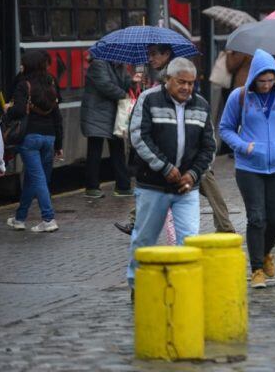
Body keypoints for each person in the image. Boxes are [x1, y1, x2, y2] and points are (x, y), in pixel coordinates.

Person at [114, 44, 235, 236]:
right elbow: (141, 133)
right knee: (155, 188)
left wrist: (195, 169)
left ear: (167, 55)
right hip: (167, 163)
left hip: (191, 158)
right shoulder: (157, 83)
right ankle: (135, 220)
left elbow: (209, 143)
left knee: (207, 186)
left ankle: (225, 226)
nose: (151, 58)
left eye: (154, 54)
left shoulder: (180, 76)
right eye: (149, 54)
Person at [126, 58, 216, 290]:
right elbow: (138, 136)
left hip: (187, 188)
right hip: (152, 186)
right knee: (145, 239)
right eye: (181, 82)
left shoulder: (201, 105)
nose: (186, 88)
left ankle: (184, 287)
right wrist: (165, 167)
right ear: (168, 80)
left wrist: (194, 174)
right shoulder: (149, 99)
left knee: (189, 240)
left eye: (191, 83)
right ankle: (138, 286)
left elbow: (209, 146)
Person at [219, 50, 275, 289]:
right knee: (257, 218)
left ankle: (265, 253)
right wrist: (243, 147)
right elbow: (225, 128)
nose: (266, 85)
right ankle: (256, 269)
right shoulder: (240, 96)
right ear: (253, 77)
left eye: (270, 80)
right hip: (249, 167)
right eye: (261, 81)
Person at [5, 51, 63, 233]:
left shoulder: (24, 84)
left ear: (28, 65)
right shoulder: (51, 82)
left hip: (30, 138)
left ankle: (48, 218)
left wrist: (9, 109)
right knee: (33, 178)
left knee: (37, 179)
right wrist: (59, 144)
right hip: (49, 137)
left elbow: (19, 110)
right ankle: (20, 218)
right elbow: (57, 115)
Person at [81, 58, 139, 199]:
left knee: (118, 149)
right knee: (95, 151)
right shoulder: (98, 64)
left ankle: (123, 186)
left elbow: (124, 83)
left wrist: (133, 82)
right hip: (96, 114)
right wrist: (124, 95)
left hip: (112, 114)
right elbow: (105, 85)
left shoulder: (119, 66)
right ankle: (92, 187)